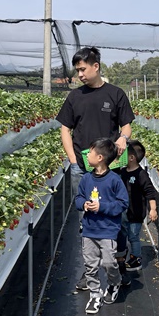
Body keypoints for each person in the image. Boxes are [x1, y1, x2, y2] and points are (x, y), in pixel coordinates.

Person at [56, 46, 134, 290]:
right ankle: (90, 272)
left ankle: (118, 262)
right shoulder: (75, 97)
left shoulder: (115, 94)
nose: (79, 74)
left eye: (82, 69)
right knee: (86, 220)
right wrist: (72, 159)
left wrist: (123, 138)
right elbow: (65, 129)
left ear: (96, 66)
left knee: (116, 217)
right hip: (83, 168)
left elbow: (127, 126)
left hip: (112, 170)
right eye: (77, 70)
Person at [75, 138, 130, 314]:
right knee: (90, 264)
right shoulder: (85, 179)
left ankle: (114, 283)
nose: (87, 155)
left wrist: (102, 207)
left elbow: (123, 203)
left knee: (108, 262)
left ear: (99, 157)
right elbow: (78, 198)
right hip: (89, 229)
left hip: (108, 230)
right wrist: (84, 204)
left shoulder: (114, 180)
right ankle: (94, 294)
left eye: (90, 153)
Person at [116, 140, 159, 274]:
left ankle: (136, 259)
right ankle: (124, 252)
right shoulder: (123, 172)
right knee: (124, 233)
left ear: (132, 158)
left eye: (124, 154)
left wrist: (153, 209)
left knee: (133, 236)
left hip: (136, 213)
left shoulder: (141, 174)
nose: (120, 155)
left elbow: (150, 192)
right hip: (124, 211)